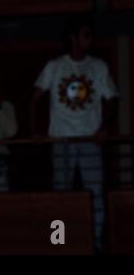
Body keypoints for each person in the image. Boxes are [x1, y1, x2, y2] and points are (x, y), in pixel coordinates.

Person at [30, 15, 118, 252]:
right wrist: (36, 131)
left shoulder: (98, 66)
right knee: (62, 192)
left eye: (90, 35)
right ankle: (63, 241)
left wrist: (104, 127)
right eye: (85, 34)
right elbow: (36, 98)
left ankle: (97, 241)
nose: (89, 39)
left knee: (95, 193)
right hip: (62, 139)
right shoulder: (55, 66)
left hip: (89, 139)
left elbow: (111, 99)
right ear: (73, 38)